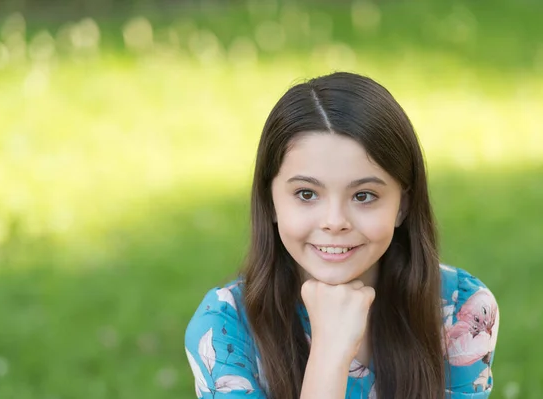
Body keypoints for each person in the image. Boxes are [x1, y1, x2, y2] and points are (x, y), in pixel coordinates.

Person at [184, 72, 499, 399]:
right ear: (271, 203)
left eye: (363, 195)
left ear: (402, 205)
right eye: (306, 194)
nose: (335, 222)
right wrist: (330, 352)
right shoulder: (225, 327)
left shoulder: (458, 309)